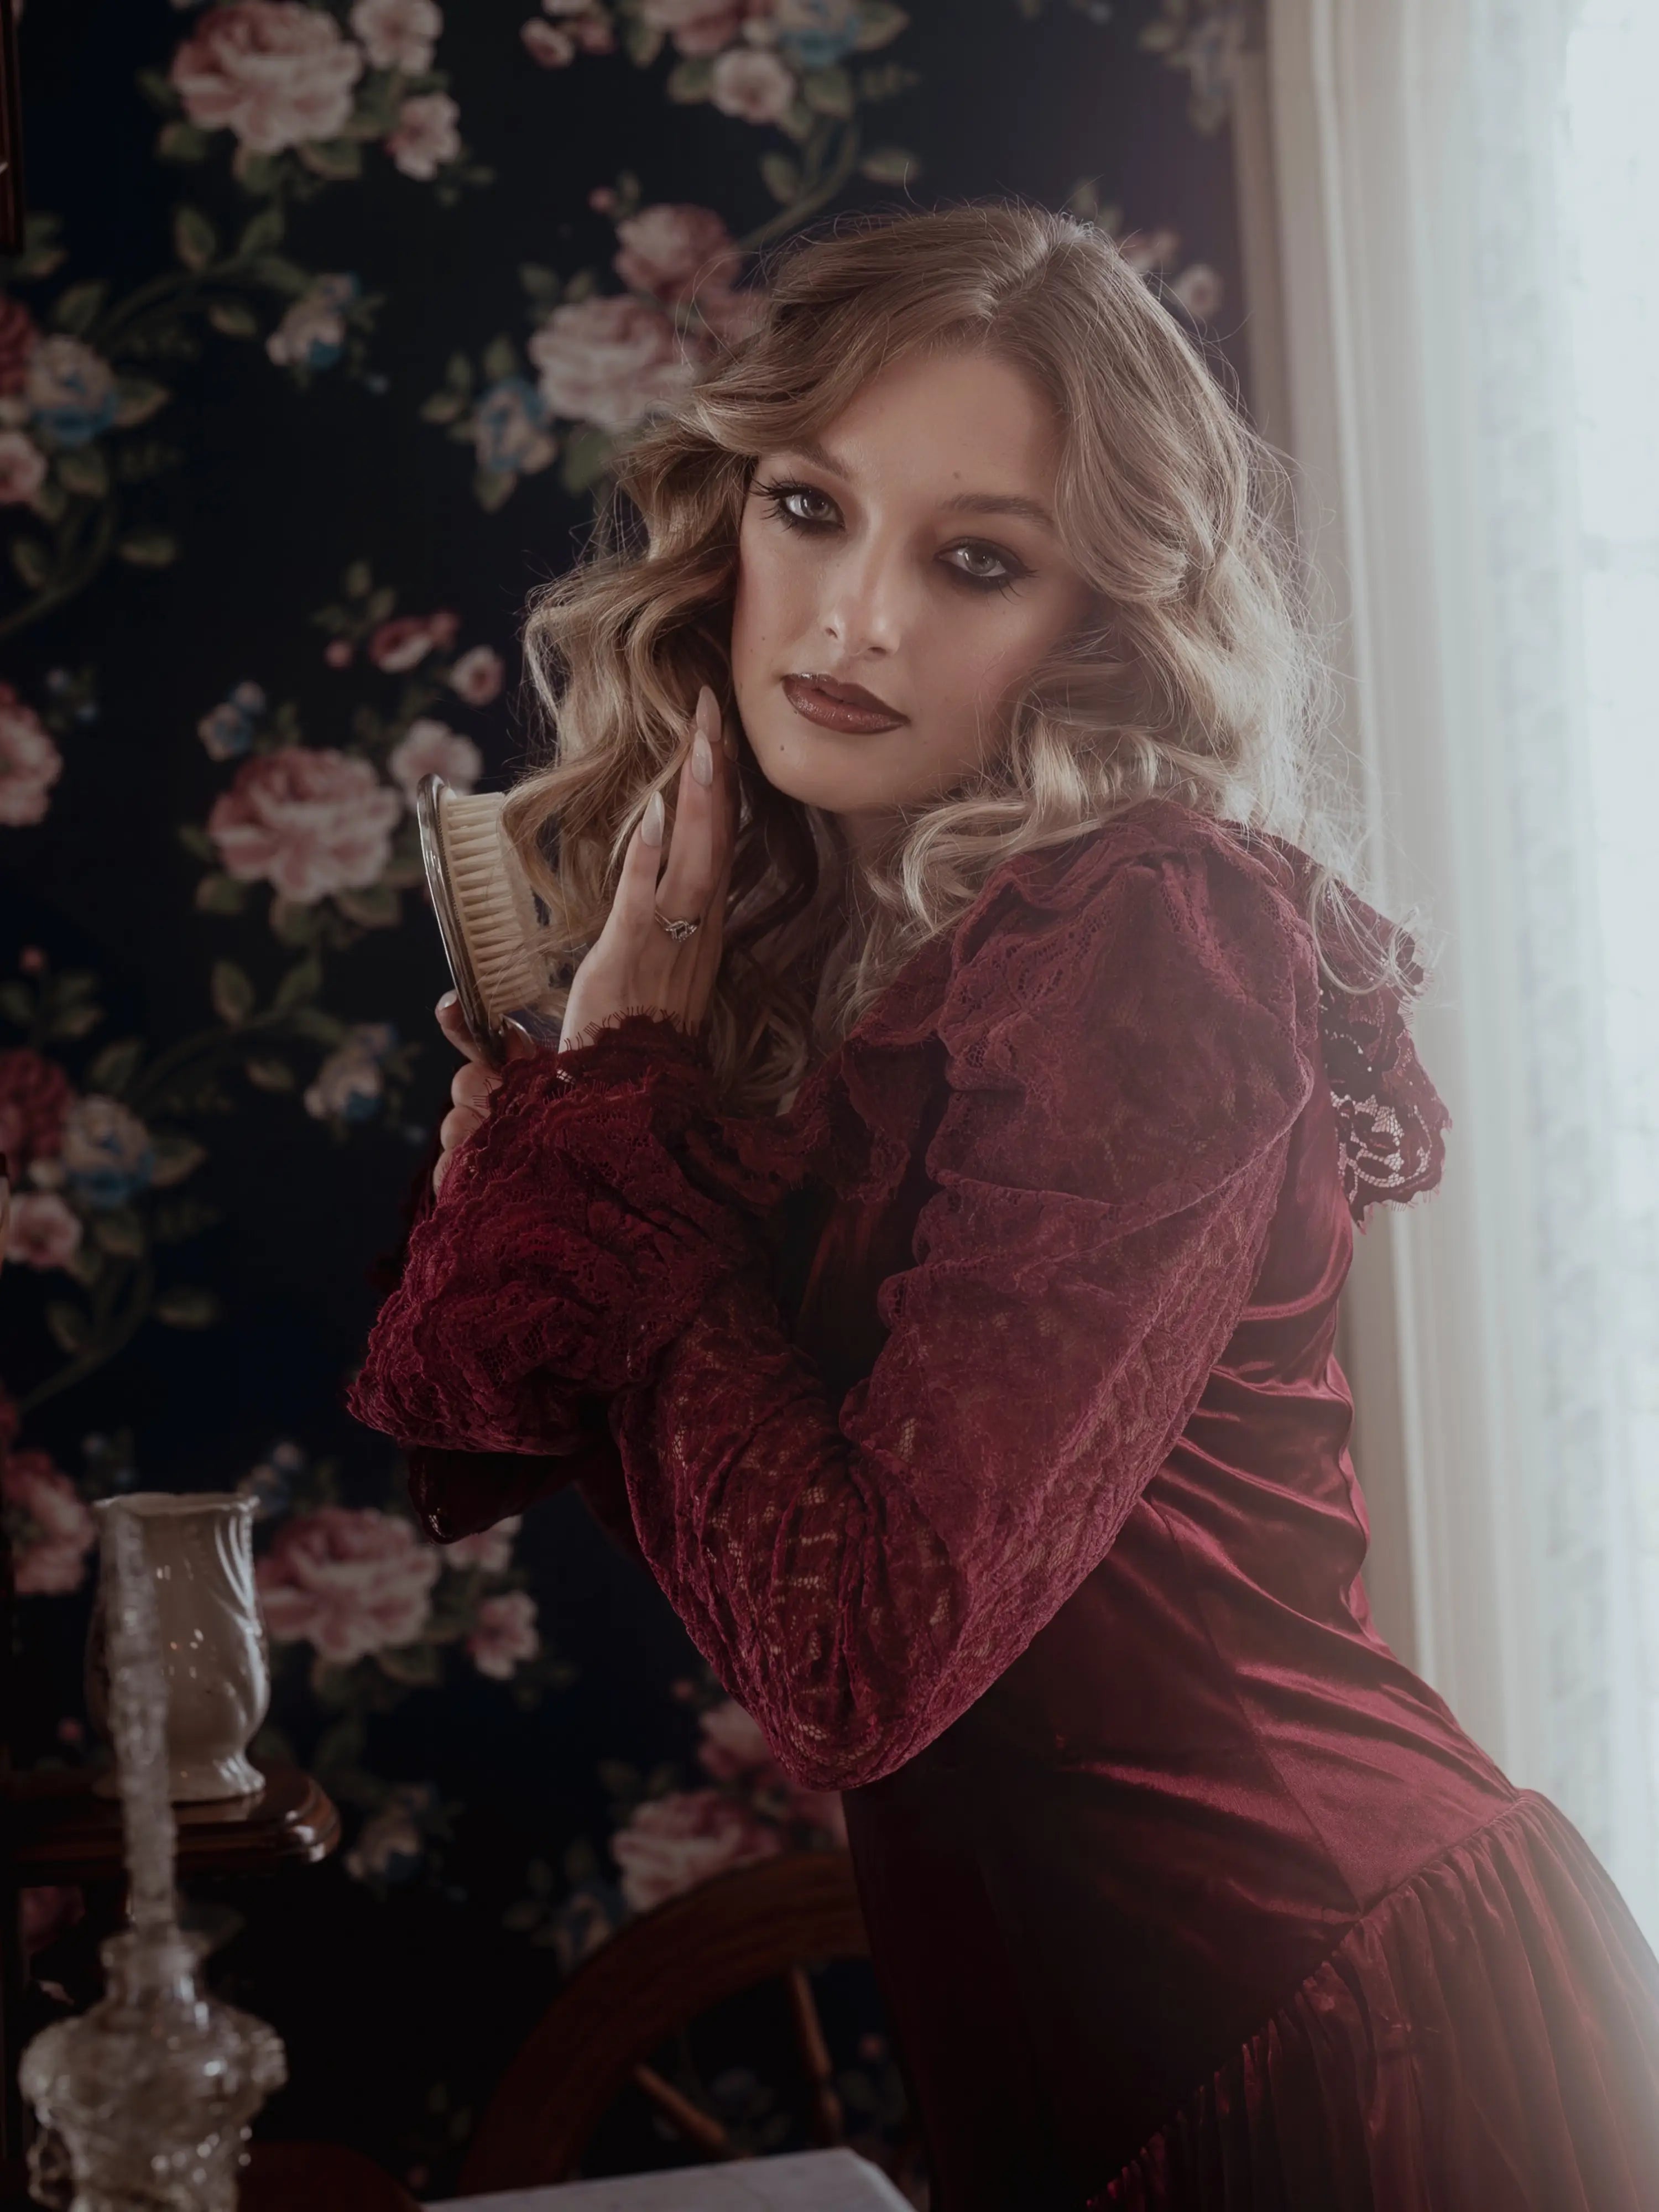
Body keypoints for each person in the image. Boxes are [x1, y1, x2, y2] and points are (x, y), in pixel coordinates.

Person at [348, 202, 1659, 2209]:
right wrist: (591, 1149)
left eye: (976, 560)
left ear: (1100, 623)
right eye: (808, 506)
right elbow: (551, 1431)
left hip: (1332, 2038)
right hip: (1080, 2068)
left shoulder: (1152, 933)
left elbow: (851, 1658)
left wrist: (618, 1160)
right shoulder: (853, 963)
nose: (853, 618)